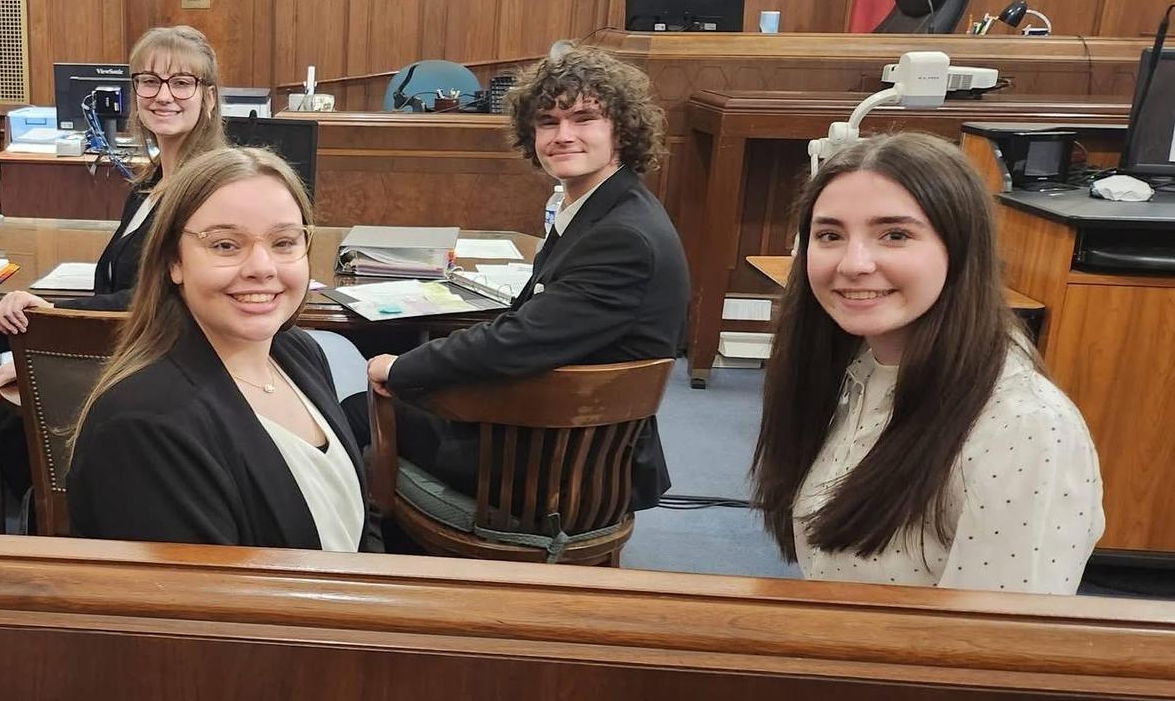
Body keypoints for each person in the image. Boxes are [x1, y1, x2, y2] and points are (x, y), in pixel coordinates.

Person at [750, 133, 1103, 594]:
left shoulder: (1024, 427)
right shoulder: (853, 366)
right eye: (830, 235)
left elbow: (996, 651)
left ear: (960, 250)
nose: (854, 263)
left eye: (895, 235)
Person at [346, 46, 688, 512]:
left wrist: (402, 368)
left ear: (621, 132)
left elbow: (518, 341)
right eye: (548, 121)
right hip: (557, 431)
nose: (563, 135)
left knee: (354, 409)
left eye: (584, 118)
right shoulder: (605, 208)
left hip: (552, 462)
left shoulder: (621, 238)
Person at [67, 147, 382, 552]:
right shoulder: (143, 424)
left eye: (284, 241)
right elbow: (204, 610)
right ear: (173, 262)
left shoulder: (297, 352)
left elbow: (358, 519)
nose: (262, 267)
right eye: (225, 245)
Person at [0, 26, 229, 386]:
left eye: (181, 82)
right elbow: (122, 285)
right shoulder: (148, 185)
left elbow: (166, 298)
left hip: (171, 371)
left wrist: (55, 313)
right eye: (149, 81)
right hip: (125, 351)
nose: (163, 95)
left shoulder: (212, 189)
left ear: (208, 98)